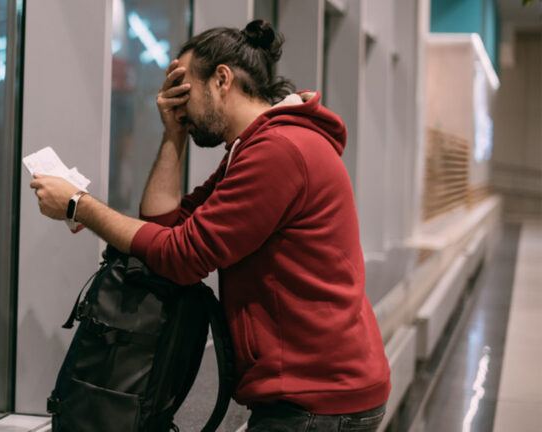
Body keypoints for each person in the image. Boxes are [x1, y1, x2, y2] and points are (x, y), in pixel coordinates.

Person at [31, 20, 390, 431]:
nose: (176, 102)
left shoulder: (279, 151)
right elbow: (164, 223)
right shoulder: (254, 149)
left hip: (316, 400)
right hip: (315, 392)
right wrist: (174, 134)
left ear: (221, 79)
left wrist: (79, 205)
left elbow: (182, 256)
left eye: (184, 89)